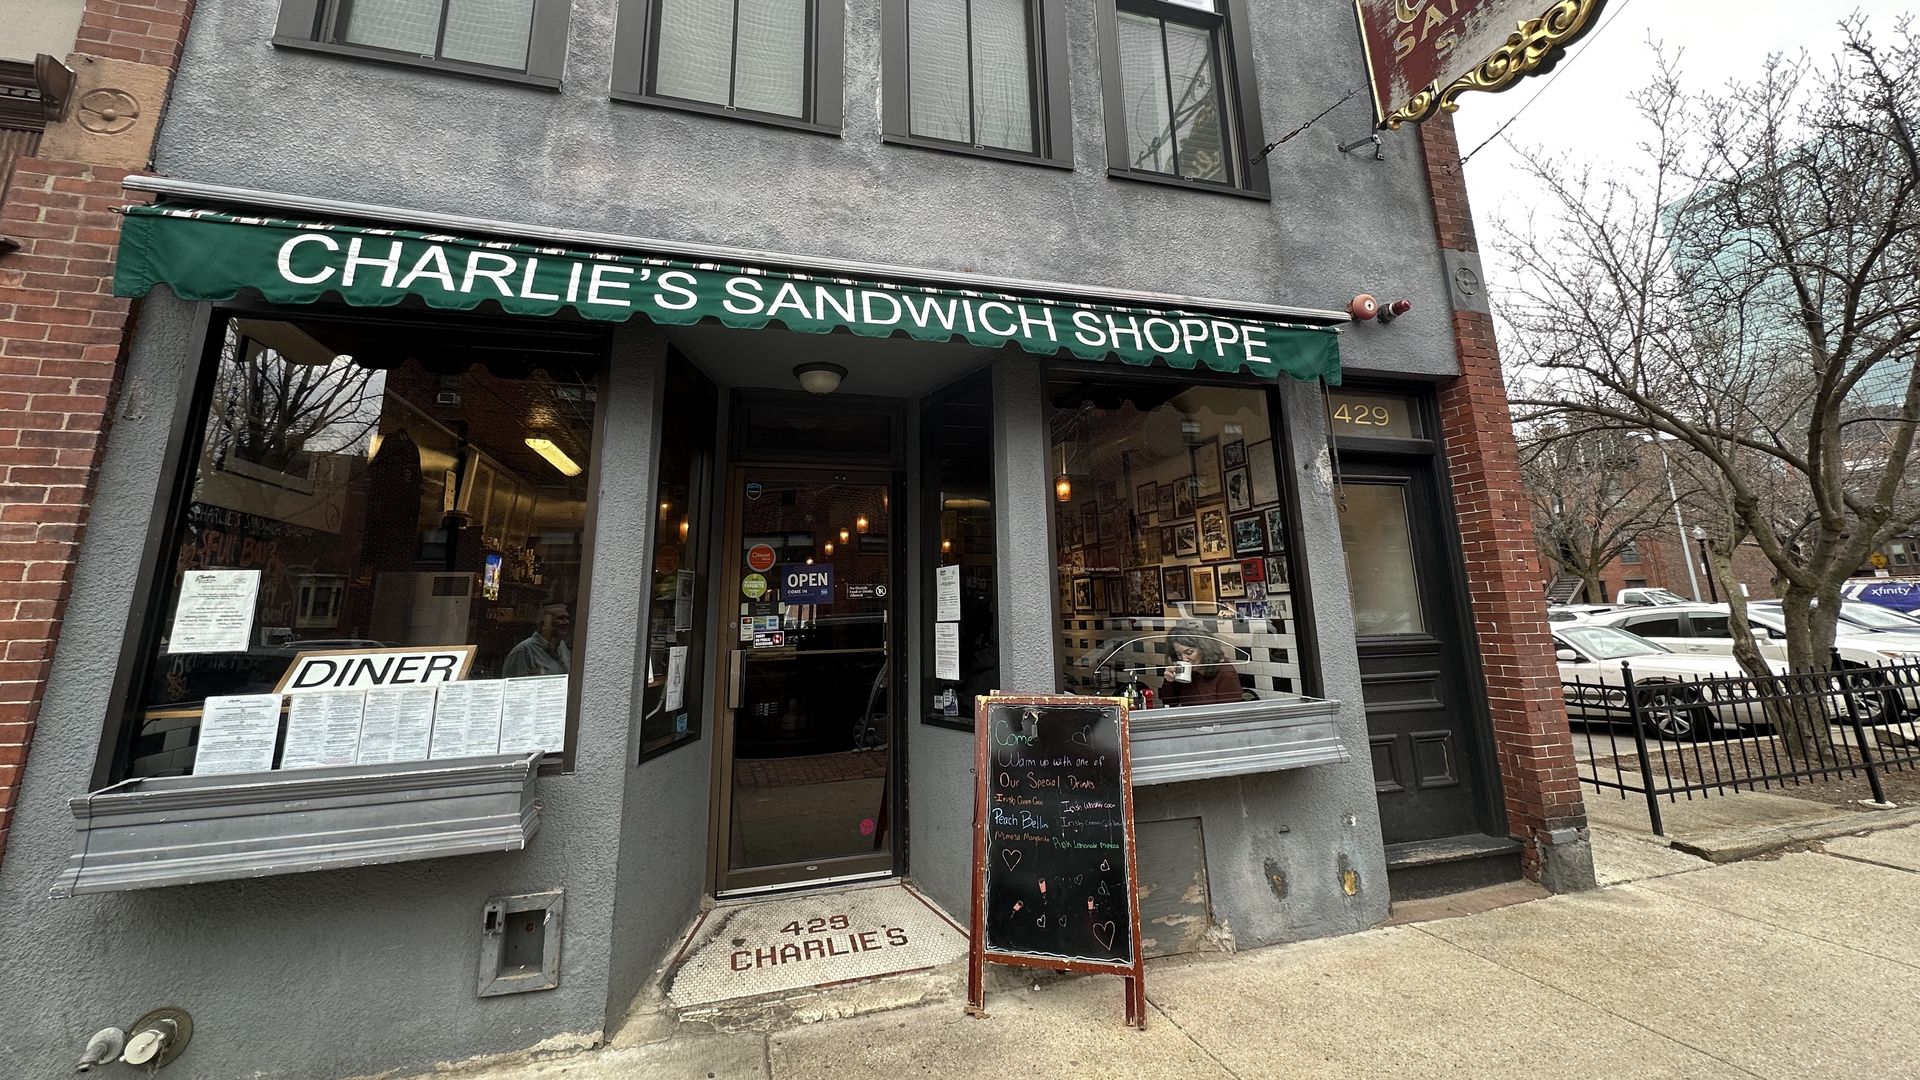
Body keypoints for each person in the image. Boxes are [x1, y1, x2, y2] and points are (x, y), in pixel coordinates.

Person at [1158, 622, 1242, 707]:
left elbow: (1230, 713)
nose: (1184, 659)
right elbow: (1169, 702)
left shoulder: (1225, 673)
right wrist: (1170, 682)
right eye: (1178, 654)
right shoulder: (1187, 672)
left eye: (1189, 652)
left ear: (1204, 649)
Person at [503, 603, 572, 677]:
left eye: (567, 618)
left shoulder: (562, 647)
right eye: (560, 618)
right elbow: (514, 686)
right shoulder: (524, 651)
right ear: (544, 624)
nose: (566, 622)